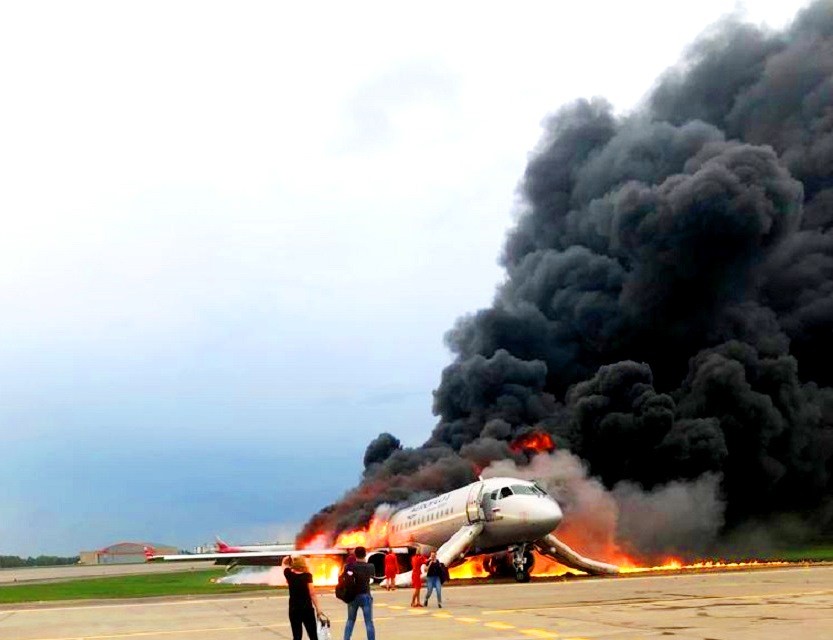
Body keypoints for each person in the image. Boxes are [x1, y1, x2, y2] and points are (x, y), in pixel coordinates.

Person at [282, 555, 324, 640]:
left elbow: (283, 563)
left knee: (297, 636)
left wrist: (288, 558)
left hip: (294, 609)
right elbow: (312, 594)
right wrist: (318, 609)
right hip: (307, 609)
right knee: (313, 635)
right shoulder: (308, 576)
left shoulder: (289, 575)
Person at [343, 546, 376, 640]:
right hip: (365, 595)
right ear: (365, 554)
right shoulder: (370, 566)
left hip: (352, 596)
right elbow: (372, 576)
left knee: (350, 620)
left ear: (355, 555)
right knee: (369, 622)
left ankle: (346, 638)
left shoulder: (349, 567)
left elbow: (345, 577)